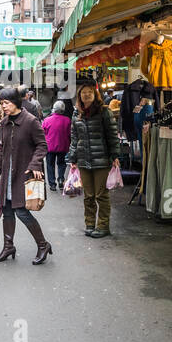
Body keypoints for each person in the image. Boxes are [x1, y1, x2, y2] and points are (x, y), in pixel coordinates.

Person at [0, 86, 52, 264]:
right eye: (2, 103)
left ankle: (42, 245)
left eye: (6, 103)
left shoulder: (31, 121)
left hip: (23, 174)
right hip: (8, 174)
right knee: (7, 211)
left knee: (21, 211)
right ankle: (8, 246)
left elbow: (42, 145)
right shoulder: (4, 122)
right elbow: (2, 147)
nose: (4, 106)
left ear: (16, 101)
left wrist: (34, 164)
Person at [67, 81, 120, 238]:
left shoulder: (104, 111)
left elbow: (112, 135)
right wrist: (73, 157)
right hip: (83, 160)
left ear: (95, 94)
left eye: (90, 92)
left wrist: (115, 155)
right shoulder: (76, 113)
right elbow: (74, 138)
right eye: (84, 92)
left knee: (101, 195)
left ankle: (103, 226)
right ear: (80, 96)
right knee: (88, 196)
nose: (86, 94)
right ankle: (90, 224)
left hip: (102, 160)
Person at [41, 100, 72, 192]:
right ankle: (61, 179)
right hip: (63, 146)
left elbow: (42, 133)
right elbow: (70, 134)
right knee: (61, 163)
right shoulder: (67, 120)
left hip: (50, 146)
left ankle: (52, 184)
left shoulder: (47, 120)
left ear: (54, 109)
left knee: (50, 165)